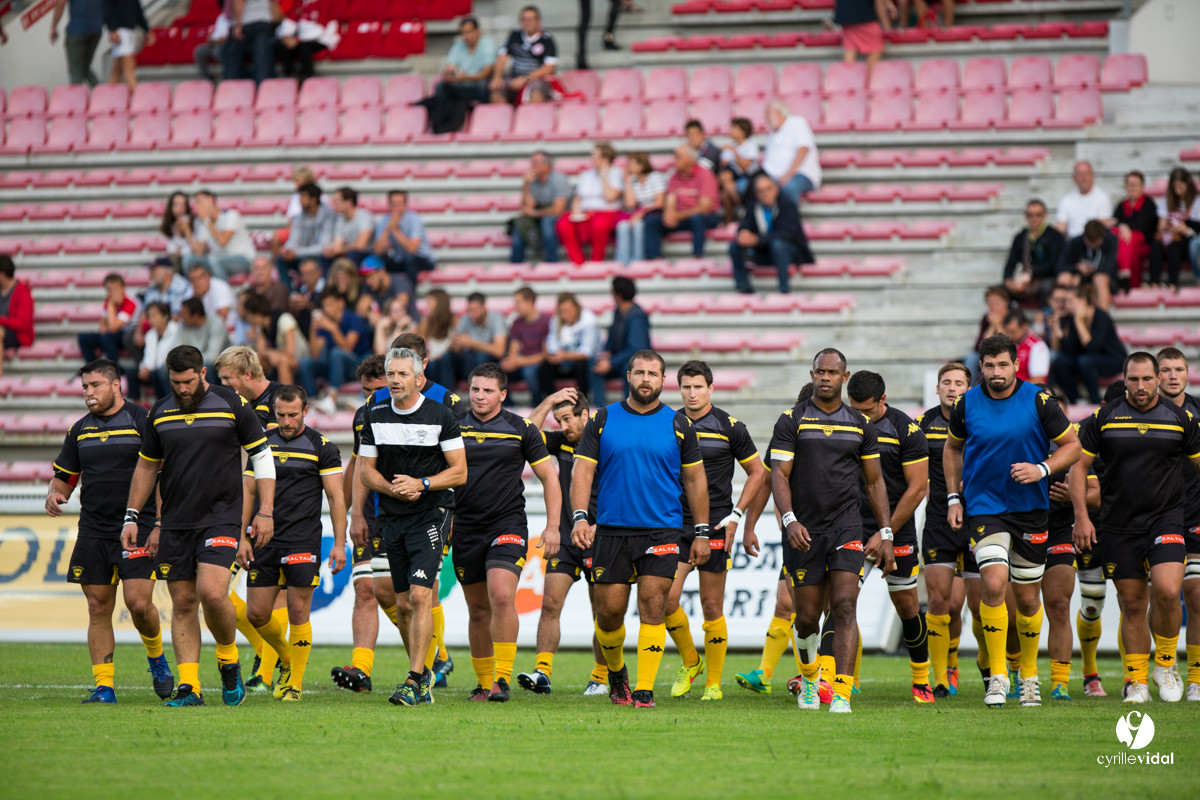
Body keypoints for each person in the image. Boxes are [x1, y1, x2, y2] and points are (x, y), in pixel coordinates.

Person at [120, 344, 275, 707]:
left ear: (203, 373)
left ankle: (228, 661)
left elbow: (262, 456)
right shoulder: (159, 411)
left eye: (188, 381)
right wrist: (132, 515)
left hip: (221, 516)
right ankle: (190, 686)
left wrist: (265, 511)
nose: (183, 388)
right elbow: (147, 466)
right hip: (175, 521)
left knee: (212, 592)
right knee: (183, 601)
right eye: (176, 382)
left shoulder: (232, 404)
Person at [944, 333, 1081, 707]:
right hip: (985, 508)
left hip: (1031, 510)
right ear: (981, 367)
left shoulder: (1038, 400)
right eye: (989, 366)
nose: (996, 372)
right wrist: (954, 497)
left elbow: (1073, 446)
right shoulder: (966, 403)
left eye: (1003, 364)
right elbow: (952, 449)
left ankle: (1029, 676)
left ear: (1016, 364)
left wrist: (1042, 469)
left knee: (1027, 597)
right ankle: (998, 677)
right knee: (993, 581)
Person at [571, 349, 710, 709]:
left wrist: (702, 532)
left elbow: (696, 480)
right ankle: (617, 673)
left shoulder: (679, 424)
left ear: (663, 380)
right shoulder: (603, 419)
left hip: (662, 530)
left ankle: (645, 690)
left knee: (653, 604)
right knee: (608, 614)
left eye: (653, 373)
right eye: (639, 372)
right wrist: (580, 516)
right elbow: (583, 469)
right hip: (612, 530)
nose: (646, 379)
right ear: (628, 377)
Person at [767, 349, 892, 714]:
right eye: (820, 371)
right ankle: (809, 679)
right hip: (804, 530)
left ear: (844, 377)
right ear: (812, 374)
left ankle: (841, 692)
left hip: (847, 526)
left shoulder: (860, 424)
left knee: (845, 606)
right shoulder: (792, 420)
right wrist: (789, 520)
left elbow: (875, 482)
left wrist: (885, 532)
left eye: (832, 372)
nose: (825, 377)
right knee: (806, 618)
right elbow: (779, 475)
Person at [1072, 352, 1200, 703]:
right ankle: (1138, 682)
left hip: (1167, 519)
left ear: (1157, 378)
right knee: (1131, 604)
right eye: (1133, 379)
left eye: (1146, 379)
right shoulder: (1104, 417)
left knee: (1168, 591)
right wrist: (1082, 517)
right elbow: (1078, 467)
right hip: (1119, 525)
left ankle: (1166, 664)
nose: (1140, 386)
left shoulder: (1181, 418)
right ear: (1124, 379)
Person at [47, 359, 173, 704]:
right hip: (94, 528)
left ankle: (157, 658)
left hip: (139, 525)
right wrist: (54, 494)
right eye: (85, 387)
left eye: (96, 385)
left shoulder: (142, 420)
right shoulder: (78, 430)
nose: (89, 393)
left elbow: (163, 477)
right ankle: (104, 687)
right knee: (97, 605)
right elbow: (65, 477)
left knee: (138, 603)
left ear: (117, 385)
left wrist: (159, 523)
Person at [358, 347, 468, 705]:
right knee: (403, 604)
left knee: (421, 595)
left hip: (431, 513)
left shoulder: (441, 415)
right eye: (391, 373)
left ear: (419, 378)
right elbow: (365, 471)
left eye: (402, 374)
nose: (394, 380)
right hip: (392, 516)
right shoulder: (375, 414)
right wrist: (392, 489)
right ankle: (422, 673)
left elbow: (459, 472)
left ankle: (414, 678)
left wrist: (421, 484)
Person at [451, 363, 562, 701]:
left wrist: (553, 526)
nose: (479, 396)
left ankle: (502, 678)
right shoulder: (453, 426)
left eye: (487, 390)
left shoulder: (521, 428)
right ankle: (483, 683)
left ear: (502, 394)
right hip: (464, 527)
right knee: (477, 610)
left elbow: (550, 478)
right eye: (475, 389)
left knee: (500, 595)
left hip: (507, 524)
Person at [663, 361, 766, 701]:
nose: (692, 393)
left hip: (717, 524)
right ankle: (691, 662)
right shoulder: (669, 423)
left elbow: (758, 472)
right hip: (675, 523)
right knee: (665, 601)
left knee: (711, 605)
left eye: (698, 387)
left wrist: (737, 515)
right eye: (686, 387)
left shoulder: (729, 426)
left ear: (710, 388)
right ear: (679, 389)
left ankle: (714, 684)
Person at [237, 385, 345, 701]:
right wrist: (241, 536)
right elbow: (248, 491)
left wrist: (340, 543)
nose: (286, 421)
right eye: (281, 415)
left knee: (298, 612)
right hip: (263, 539)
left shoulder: (321, 447)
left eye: (293, 415)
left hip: (302, 539)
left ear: (306, 411)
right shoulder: (261, 445)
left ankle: (294, 683)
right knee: (257, 614)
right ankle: (286, 657)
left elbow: (336, 498)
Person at [844, 371, 932, 702]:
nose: (860, 418)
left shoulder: (906, 430)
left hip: (897, 528)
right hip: (852, 527)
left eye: (866, 411)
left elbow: (918, 488)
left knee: (907, 606)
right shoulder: (842, 423)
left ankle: (921, 679)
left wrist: (886, 533)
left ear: (883, 400)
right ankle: (841, 679)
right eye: (854, 410)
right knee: (842, 601)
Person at [516, 388, 610, 696]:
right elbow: (525, 434)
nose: (563, 426)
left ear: (585, 415)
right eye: (559, 421)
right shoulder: (561, 442)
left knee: (603, 612)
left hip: (600, 537)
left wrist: (600, 525)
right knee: (550, 604)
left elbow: (625, 486)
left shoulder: (607, 443)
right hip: (568, 539)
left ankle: (600, 677)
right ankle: (542, 671)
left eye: (567, 419)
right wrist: (548, 401)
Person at [918, 363, 980, 698]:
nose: (952, 388)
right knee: (940, 601)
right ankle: (942, 677)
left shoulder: (980, 419)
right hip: (939, 522)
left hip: (980, 520)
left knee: (978, 605)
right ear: (937, 388)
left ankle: (989, 668)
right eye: (946, 382)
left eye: (958, 383)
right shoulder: (922, 425)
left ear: (968, 389)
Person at [331, 355, 388, 693]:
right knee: (365, 589)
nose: (371, 397)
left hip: (406, 515)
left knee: (406, 597)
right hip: (369, 516)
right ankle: (361, 669)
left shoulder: (418, 413)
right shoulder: (362, 416)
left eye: (378, 390)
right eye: (366, 391)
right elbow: (357, 463)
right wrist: (348, 513)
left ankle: (435, 657)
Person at [1039, 390, 1100, 701]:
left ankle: (1060, 682)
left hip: (1060, 531)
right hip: (1019, 531)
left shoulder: (1075, 444)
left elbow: (1095, 494)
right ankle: (1016, 673)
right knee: (1014, 612)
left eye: (1057, 412)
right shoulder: (1018, 441)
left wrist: (1074, 498)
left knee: (1059, 605)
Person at [1156, 347, 1200, 701]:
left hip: (1194, 514)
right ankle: (1161, 665)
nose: (1173, 376)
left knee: (1197, 596)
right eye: (1167, 370)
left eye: (1179, 369)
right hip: (1154, 517)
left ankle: (1196, 677)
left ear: (1188, 373)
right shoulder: (1143, 413)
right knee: (1159, 596)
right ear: (1156, 375)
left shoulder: (1199, 412)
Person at [730, 173, 815, 295]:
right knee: (735, 246)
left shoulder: (787, 204)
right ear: (756, 194)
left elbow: (787, 233)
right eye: (760, 191)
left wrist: (758, 239)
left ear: (776, 189)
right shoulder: (753, 205)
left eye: (768, 189)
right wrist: (743, 233)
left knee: (778, 245)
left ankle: (784, 288)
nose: (765, 193)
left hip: (790, 252)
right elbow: (746, 223)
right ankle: (743, 287)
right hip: (765, 251)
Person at [1048, 284, 1126, 404]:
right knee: (1061, 361)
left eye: (1070, 301)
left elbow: (1093, 347)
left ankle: (1095, 400)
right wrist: (1059, 332)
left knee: (1085, 361)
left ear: (1082, 301)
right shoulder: (1073, 318)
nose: (1067, 306)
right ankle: (1075, 400)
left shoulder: (1101, 316)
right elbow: (1070, 349)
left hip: (1113, 359)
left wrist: (1079, 323)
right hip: (1088, 360)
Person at [299, 289, 370, 414]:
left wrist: (333, 328)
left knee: (337, 353)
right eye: (325, 306)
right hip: (335, 367)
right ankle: (312, 404)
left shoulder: (353, 319)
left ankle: (331, 400)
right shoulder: (325, 323)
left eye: (330, 304)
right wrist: (313, 329)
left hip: (356, 367)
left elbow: (347, 348)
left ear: (341, 303)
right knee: (305, 363)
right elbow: (315, 355)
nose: (327, 309)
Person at [644, 145, 720, 260]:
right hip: (682, 216)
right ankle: (655, 258)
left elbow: (705, 208)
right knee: (651, 221)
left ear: (689, 159)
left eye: (678, 157)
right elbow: (670, 201)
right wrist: (669, 215)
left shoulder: (706, 175)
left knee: (697, 218)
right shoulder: (675, 177)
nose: (674, 160)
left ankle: (697, 256)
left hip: (705, 216)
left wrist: (677, 216)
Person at [556, 142, 624, 265]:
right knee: (563, 223)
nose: (592, 159)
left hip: (606, 212)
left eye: (595, 156)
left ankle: (596, 261)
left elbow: (610, 197)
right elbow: (578, 197)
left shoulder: (616, 173)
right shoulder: (587, 174)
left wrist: (603, 175)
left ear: (605, 159)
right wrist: (576, 210)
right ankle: (577, 262)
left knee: (599, 225)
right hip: (586, 213)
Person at [590, 276, 649, 406]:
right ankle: (600, 407)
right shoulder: (618, 312)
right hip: (619, 359)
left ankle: (630, 408)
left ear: (619, 295)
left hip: (634, 361)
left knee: (629, 369)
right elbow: (612, 335)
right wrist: (607, 352)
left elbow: (636, 350)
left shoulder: (636, 317)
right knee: (594, 364)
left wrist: (611, 362)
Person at [510, 152, 571, 264]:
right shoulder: (534, 181)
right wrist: (526, 184)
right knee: (519, 225)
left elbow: (557, 210)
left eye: (535, 163)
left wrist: (535, 213)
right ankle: (515, 264)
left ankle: (552, 262)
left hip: (560, 216)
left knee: (547, 222)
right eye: (532, 162)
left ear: (546, 164)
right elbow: (527, 206)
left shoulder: (559, 179)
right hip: (540, 214)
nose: (532, 166)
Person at [1003, 199, 1066, 309]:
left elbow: (1054, 264)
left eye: (1038, 215)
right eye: (1030, 215)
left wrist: (1031, 273)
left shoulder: (1055, 236)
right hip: (1026, 279)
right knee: (1001, 290)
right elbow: (1011, 262)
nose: (1034, 218)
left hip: (1047, 278)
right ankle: (1010, 318)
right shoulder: (1020, 237)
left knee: (1046, 288)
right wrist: (1008, 280)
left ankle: (1045, 315)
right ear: (1025, 216)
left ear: (1045, 215)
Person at [490, 5, 558, 105]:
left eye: (530, 20)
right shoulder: (515, 35)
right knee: (497, 92)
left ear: (538, 21)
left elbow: (549, 68)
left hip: (537, 79)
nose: (527, 23)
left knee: (536, 94)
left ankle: (530, 115)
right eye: (524, 20)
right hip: (514, 77)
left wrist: (526, 79)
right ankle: (502, 115)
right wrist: (497, 77)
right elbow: (502, 56)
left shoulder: (547, 39)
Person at [538, 292, 600, 400]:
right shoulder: (556, 320)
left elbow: (587, 353)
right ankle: (552, 401)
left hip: (584, 361)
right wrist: (555, 355)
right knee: (545, 367)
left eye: (568, 310)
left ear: (576, 308)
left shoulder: (589, 320)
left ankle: (582, 401)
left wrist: (565, 355)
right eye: (562, 311)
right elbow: (552, 343)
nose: (565, 314)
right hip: (564, 360)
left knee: (581, 365)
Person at [760, 100, 821, 206]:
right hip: (775, 177)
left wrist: (788, 174)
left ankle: (789, 216)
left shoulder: (797, 123)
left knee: (788, 189)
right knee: (754, 187)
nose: (766, 118)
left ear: (779, 112)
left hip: (801, 175)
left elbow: (803, 148)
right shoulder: (772, 134)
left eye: (768, 113)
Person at [183, 190, 255, 280]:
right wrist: (187, 230)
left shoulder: (231, 215)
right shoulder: (204, 222)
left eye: (198, 202)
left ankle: (222, 289)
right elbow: (199, 252)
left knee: (215, 260)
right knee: (188, 260)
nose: (196, 206)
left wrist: (207, 221)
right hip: (217, 259)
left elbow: (223, 241)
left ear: (210, 200)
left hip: (243, 259)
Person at [373, 191, 436, 291]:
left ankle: (410, 295)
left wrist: (395, 229)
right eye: (394, 204)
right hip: (401, 260)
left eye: (399, 204)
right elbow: (378, 250)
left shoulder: (414, 219)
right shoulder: (385, 220)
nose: (396, 207)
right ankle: (386, 293)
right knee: (379, 260)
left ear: (405, 205)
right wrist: (387, 230)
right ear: (389, 205)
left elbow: (412, 249)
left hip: (423, 259)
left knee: (410, 260)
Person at [1150, 166, 1200, 291]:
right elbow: (1160, 225)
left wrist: (1184, 229)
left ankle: (1173, 283)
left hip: (1187, 238)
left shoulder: (1196, 201)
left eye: (1181, 187)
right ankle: (1154, 283)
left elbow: (1195, 231)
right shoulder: (1168, 200)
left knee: (1175, 246)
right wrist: (1165, 227)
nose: (1178, 191)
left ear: (1187, 183)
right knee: (1156, 244)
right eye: (1175, 187)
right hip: (1170, 235)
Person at [242, 292, 308, 385]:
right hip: (281, 356)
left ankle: (287, 393)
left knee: (282, 361)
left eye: (249, 315)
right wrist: (270, 353)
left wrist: (272, 353)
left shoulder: (284, 319)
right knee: (257, 359)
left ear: (256, 314)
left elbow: (290, 351)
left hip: (300, 358)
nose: (248, 319)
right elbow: (261, 350)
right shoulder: (261, 327)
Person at [1106, 171, 1158, 290]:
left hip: (1145, 244)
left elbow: (1143, 226)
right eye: (1130, 184)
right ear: (1125, 186)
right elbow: (1114, 222)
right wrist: (1123, 227)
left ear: (1142, 186)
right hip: (1128, 246)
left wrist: (1124, 227)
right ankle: (1132, 282)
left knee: (1128, 238)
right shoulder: (1122, 204)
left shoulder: (1148, 204)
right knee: (1125, 243)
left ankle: (1125, 275)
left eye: (1136, 185)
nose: (1132, 188)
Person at [278, 183, 336, 287]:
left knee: (325, 258)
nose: (300, 200)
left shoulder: (328, 216)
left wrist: (296, 252)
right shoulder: (299, 217)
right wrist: (287, 250)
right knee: (281, 259)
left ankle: (323, 291)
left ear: (313, 199)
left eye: (303, 197)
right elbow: (293, 239)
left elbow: (324, 247)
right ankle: (289, 292)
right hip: (302, 256)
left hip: (320, 257)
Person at [78, 273, 140, 369]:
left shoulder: (130, 303)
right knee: (84, 338)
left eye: (114, 289)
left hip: (127, 336)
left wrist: (111, 306)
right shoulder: (108, 301)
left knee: (108, 338)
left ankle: (113, 369)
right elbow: (102, 327)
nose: (111, 293)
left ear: (123, 288)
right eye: (109, 290)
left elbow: (114, 327)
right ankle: (93, 369)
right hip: (112, 335)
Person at [500, 286, 550, 404]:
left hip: (538, 363)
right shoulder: (517, 323)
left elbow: (545, 355)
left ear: (529, 302)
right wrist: (511, 361)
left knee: (529, 372)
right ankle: (508, 406)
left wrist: (519, 361)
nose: (515, 307)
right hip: (522, 361)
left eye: (518, 303)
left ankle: (537, 404)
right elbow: (514, 348)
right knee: (497, 371)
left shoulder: (546, 321)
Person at [615, 152, 666, 265]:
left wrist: (642, 212)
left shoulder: (655, 177)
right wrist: (627, 180)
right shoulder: (633, 180)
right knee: (622, 226)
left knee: (639, 226)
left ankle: (638, 260)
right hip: (638, 214)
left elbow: (659, 203)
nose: (628, 166)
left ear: (641, 165)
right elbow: (630, 204)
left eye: (631, 163)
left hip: (653, 213)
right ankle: (622, 262)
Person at [1058, 219, 1118, 311]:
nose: (1093, 246)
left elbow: (1109, 268)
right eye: (1090, 242)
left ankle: (1103, 317)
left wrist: (1082, 276)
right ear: (1085, 238)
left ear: (1102, 238)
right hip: (1080, 279)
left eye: (1096, 243)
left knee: (1100, 279)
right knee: (1064, 278)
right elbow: (1059, 266)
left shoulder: (1111, 241)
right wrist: (1077, 267)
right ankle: (1064, 315)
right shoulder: (1075, 242)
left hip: (1104, 281)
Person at [275, 0, 340, 83]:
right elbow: (290, 22)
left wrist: (297, 40)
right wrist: (285, 37)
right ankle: (292, 76)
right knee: (281, 45)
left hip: (323, 39)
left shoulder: (325, 2)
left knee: (303, 47)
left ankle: (308, 77)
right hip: (302, 39)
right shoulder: (300, 3)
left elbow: (320, 29)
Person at [436, 16, 497, 105]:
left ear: (478, 31)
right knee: (440, 86)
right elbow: (449, 68)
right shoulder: (458, 47)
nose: (466, 36)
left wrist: (466, 78)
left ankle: (480, 111)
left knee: (484, 85)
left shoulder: (488, 44)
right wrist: (448, 76)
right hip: (462, 84)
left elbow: (486, 72)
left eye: (469, 32)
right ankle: (446, 112)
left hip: (478, 83)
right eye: (463, 33)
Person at [449, 292, 508, 383]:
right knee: (448, 357)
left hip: (490, 361)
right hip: (470, 360)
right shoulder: (465, 319)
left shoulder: (496, 319)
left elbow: (499, 351)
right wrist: (456, 344)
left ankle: (479, 388)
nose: (472, 314)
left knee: (482, 356)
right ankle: (446, 391)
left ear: (484, 307)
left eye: (475, 309)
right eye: (470, 310)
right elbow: (457, 348)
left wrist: (470, 343)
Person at [51, 0, 105, 86]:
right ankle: (102, 92)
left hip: (77, 30)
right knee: (84, 68)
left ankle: (77, 94)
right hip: (96, 29)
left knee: (76, 71)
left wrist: (53, 27)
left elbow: (61, 3)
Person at [222, 0, 277, 84]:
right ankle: (261, 88)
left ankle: (234, 87)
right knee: (263, 62)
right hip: (265, 22)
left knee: (231, 60)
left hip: (247, 22)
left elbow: (238, 1)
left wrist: (237, 24)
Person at [1055, 160, 1112, 240]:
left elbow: (1103, 225)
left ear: (1093, 175)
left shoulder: (1103, 197)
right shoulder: (1066, 200)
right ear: (1074, 178)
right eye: (1080, 174)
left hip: (1094, 241)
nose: (1084, 178)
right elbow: (1061, 226)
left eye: (1087, 174)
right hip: (1072, 242)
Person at [835, 0, 893, 76]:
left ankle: (847, 81)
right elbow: (879, 3)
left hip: (845, 16)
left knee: (850, 48)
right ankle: (870, 81)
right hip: (865, 16)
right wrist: (887, 28)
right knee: (875, 49)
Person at [718, 118, 760, 222]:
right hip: (733, 176)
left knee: (726, 188)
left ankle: (735, 212)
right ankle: (738, 208)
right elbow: (723, 163)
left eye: (734, 128)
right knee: (725, 189)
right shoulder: (731, 145)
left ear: (742, 132)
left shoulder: (750, 146)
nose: (731, 131)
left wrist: (734, 151)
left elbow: (744, 167)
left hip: (748, 176)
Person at [104, 0, 152, 89]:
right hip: (119, 31)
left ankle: (108, 94)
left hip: (130, 30)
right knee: (129, 64)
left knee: (117, 68)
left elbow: (137, 9)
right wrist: (112, 29)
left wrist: (147, 30)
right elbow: (106, 8)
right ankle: (137, 93)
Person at [177, 298, 230, 374]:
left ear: (196, 315)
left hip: (219, 365)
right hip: (191, 363)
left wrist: (187, 359)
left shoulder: (216, 323)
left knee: (206, 366)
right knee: (165, 369)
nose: (180, 317)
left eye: (184, 314)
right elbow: (175, 350)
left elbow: (212, 356)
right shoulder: (182, 326)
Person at [418, 289, 459, 389]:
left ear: (440, 303)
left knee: (446, 359)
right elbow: (422, 346)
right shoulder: (426, 321)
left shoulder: (454, 319)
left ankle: (447, 395)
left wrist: (441, 355)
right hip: (432, 358)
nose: (427, 306)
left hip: (450, 357)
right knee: (430, 364)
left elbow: (457, 347)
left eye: (429, 302)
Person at [137, 302, 178, 399]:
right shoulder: (150, 334)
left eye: (154, 316)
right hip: (153, 370)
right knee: (131, 373)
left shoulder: (176, 330)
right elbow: (148, 356)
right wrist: (144, 367)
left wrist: (150, 369)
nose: (151, 320)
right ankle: (135, 405)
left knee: (157, 373)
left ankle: (168, 401)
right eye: (149, 316)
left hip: (169, 369)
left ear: (165, 316)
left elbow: (172, 356)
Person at [324, 187, 375, 266]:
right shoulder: (340, 219)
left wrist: (341, 249)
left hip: (368, 254)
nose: (334, 204)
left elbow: (361, 245)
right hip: (349, 252)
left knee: (352, 254)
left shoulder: (364, 216)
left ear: (349, 202)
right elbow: (337, 244)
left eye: (337, 201)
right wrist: (332, 250)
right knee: (325, 257)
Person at [1003, 310, 1050, 386]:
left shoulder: (1037, 346)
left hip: (1025, 390)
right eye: (1007, 332)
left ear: (1024, 326)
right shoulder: (1006, 344)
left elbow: (1038, 380)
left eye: (1013, 332)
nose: (1009, 335)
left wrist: (1012, 390)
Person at [193, 5, 230, 83]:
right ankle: (207, 78)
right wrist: (210, 38)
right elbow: (216, 33)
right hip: (214, 43)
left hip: (225, 44)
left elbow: (226, 38)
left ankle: (226, 77)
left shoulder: (234, 17)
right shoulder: (221, 17)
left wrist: (217, 41)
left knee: (217, 52)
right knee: (199, 51)